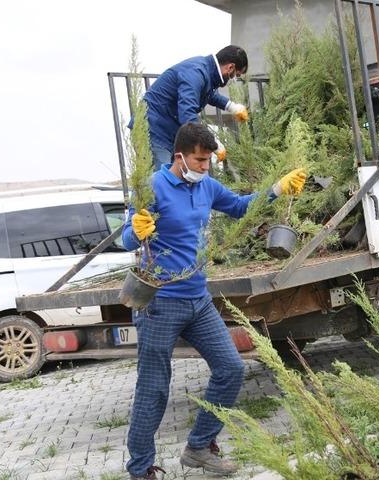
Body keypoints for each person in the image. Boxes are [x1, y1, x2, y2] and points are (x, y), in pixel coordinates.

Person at [122, 122, 307, 480]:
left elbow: (240, 207)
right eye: (200, 160)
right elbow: (128, 237)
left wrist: (276, 189)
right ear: (180, 157)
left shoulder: (206, 185)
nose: (206, 166)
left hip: (198, 299)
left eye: (208, 160)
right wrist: (137, 231)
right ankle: (141, 468)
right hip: (159, 303)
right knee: (154, 388)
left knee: (231, 369)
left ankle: (198, 447)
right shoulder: (153, 187)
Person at [142, 45, 249, 171]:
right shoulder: (196, 72)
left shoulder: (206, 71)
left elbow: (208, 93)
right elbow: (187, 114)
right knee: (160, 182)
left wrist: (231, 106)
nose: (233, 79)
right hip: (154, 129)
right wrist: (212, 142)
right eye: (235, 75)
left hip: (167, 130)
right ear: (230, 67)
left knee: (177, 179)